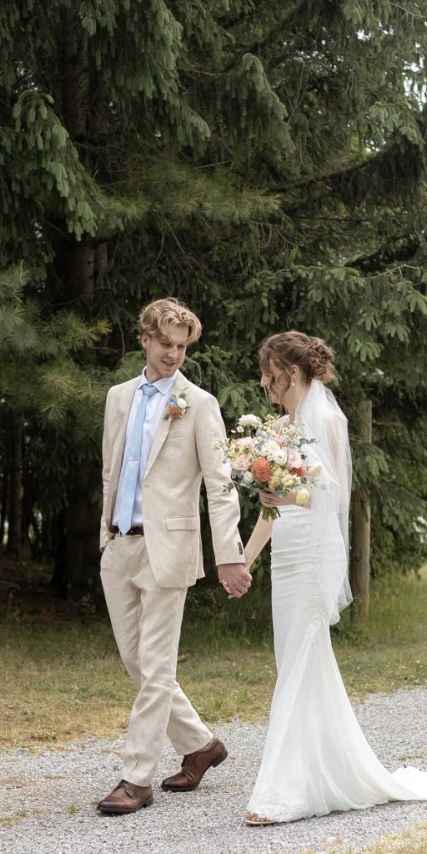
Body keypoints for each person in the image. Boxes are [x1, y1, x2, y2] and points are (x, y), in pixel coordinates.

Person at [239, 331, 427, 825]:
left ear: (289, 371)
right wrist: (245, 558)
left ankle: (281, 794)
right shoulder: (284, 427)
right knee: (295, 662)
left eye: (268, 372)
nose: (263, 381)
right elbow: (272, 505)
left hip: (314, 554)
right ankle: (322, 773)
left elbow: (332, 499)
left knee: (300, 659)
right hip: (288, 557)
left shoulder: (326, 418)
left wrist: (288, 497)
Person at [97, 298, 251, 816]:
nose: (175, 355)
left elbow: (220, 484)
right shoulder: (119, 397)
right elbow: (110, 471)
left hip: (169, 548)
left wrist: (230, 554)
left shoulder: (199, 403)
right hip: (119, 545)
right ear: (145, 338)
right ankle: (202, 746)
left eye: (183, 347)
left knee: (156, 664)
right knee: (135, 661)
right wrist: (105, 536)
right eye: (166, 344)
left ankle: (135, 778)